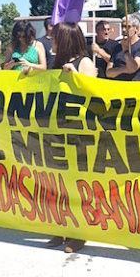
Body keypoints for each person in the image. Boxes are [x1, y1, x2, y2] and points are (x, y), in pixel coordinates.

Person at [45, 22, 97, 253]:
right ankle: (61, 226)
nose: (51, 41)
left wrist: (75, 75)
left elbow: (94, 92)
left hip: (79, 132)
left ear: (65, 40)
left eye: (55, 37)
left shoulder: (84, 62)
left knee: (77, 184)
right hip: (59, 129)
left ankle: (80, 233)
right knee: (59, 183)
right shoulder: (57, 63)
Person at [106, 12, 140, 81]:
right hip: (119, 88)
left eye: (128, 27)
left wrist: (126, 51)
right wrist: (125, 69)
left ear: (136, 28)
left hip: (135, 88)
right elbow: (108, 73)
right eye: (122, 26)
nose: (123, 30)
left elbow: (133, 68)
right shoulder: (118, 47)